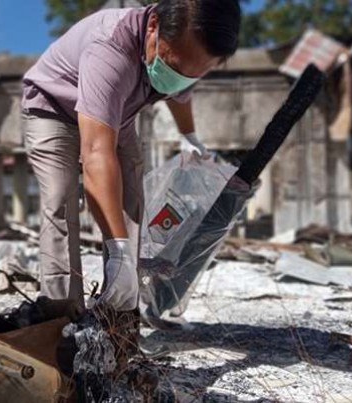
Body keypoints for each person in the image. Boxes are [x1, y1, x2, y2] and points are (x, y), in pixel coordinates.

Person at [22, 0, 241, 312]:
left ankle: (121, 311)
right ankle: (61, 312)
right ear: (153, 26)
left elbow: (178, 94)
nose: (180, 79)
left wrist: (189, 136)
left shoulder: (184, 51)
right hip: (54, 108)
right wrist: (119, 249)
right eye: (174, 68)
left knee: (132, 200)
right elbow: (96, 151)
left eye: (194, 74)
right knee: (61, 198)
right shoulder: (110, 49)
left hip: (117, 114)